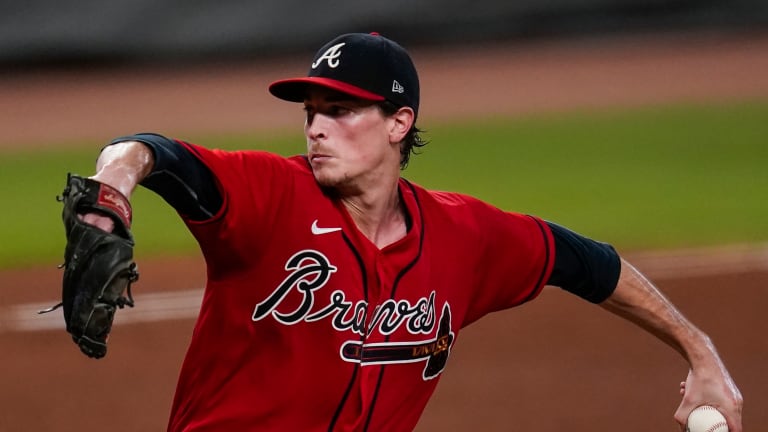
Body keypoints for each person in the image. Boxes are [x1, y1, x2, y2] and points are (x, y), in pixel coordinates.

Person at [78, 32, 742, 431]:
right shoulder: (268, 194)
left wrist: (699, 349)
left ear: (399, 123)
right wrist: (113, 193)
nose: (315, 128)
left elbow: (587, 263)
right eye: (311, 112)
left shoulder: (464, 236)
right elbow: (153, 151)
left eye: (339, 111)